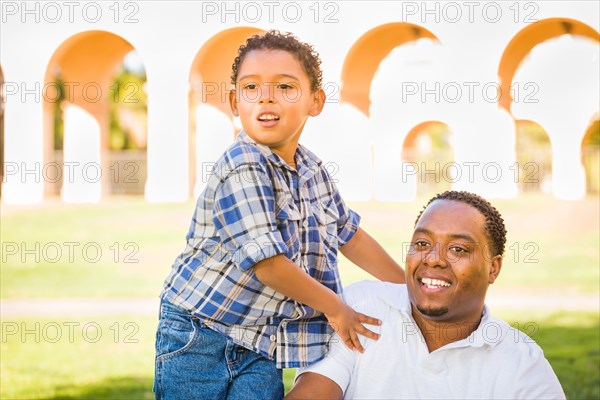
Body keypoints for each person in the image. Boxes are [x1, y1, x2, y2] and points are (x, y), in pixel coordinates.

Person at [153, 30, 405, 400]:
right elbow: (267, 264)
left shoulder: (312, 169)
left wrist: (409, 292)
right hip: (198, 333)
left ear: (315, 101)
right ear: (234, 102)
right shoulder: (243, 165)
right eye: (251, 88)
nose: (266, 97)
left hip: (260, 338)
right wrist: (335, 308)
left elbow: (350, 235)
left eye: (285, 87)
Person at [286, 190, 566, 400]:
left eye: (458, 249)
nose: (433, 259)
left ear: (493, 268)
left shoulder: (522, 363)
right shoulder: (361, 307)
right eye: (422, 243)